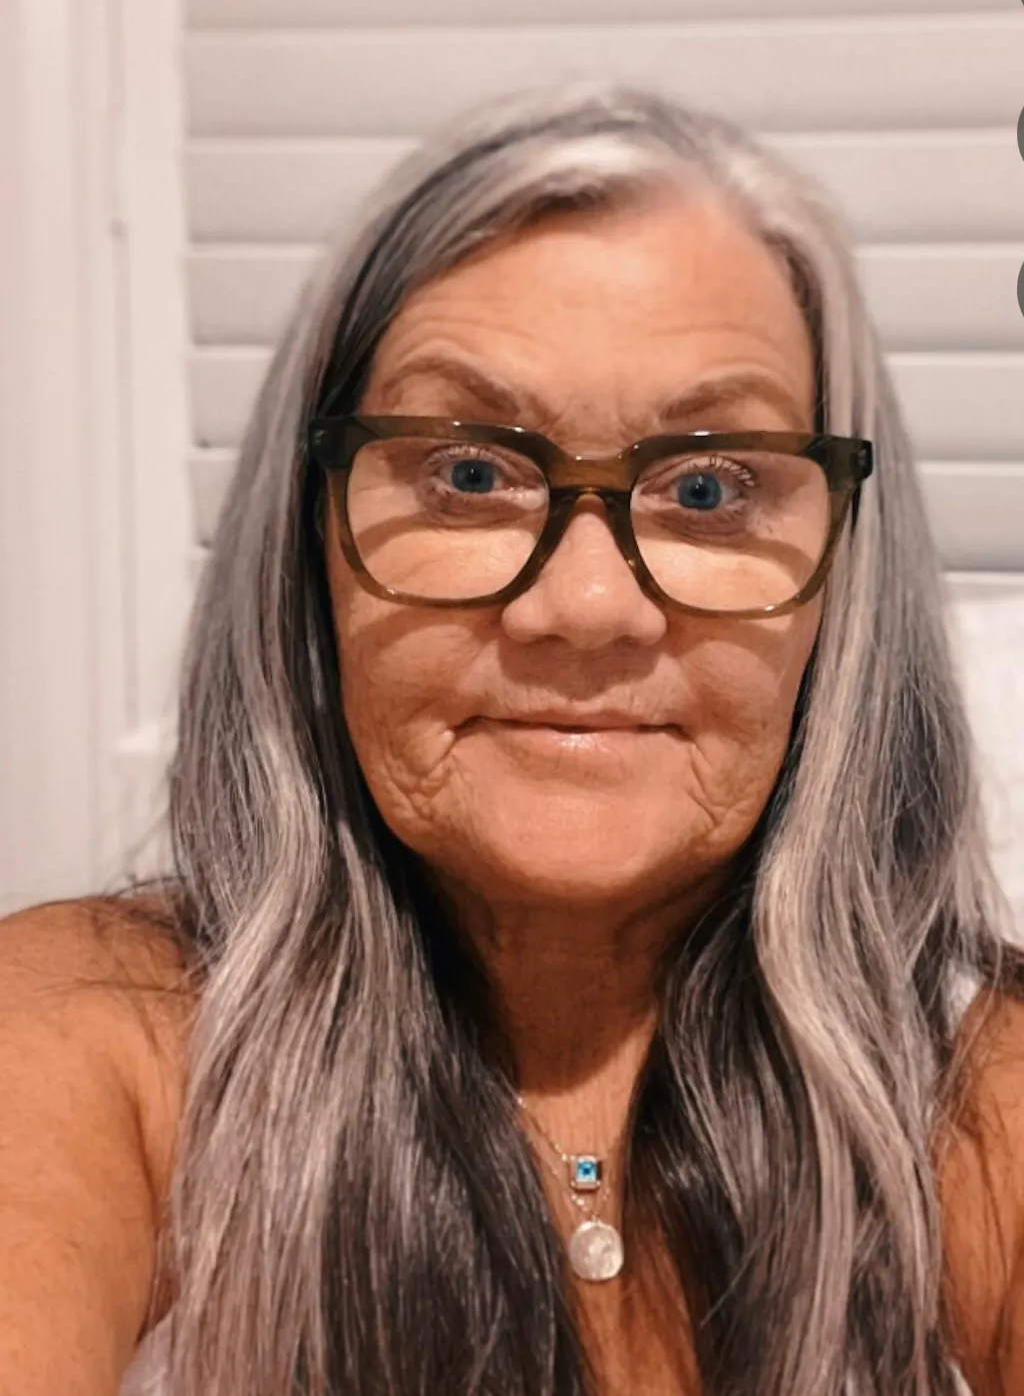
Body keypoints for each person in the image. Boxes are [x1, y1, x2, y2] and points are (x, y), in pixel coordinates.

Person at [1, 84, 1022, 1396]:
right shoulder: (92, 1039)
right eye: (470, 475)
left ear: (844, 582)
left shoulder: (978, 1098)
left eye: (708, 487)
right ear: (309, 547)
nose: (585, 608)